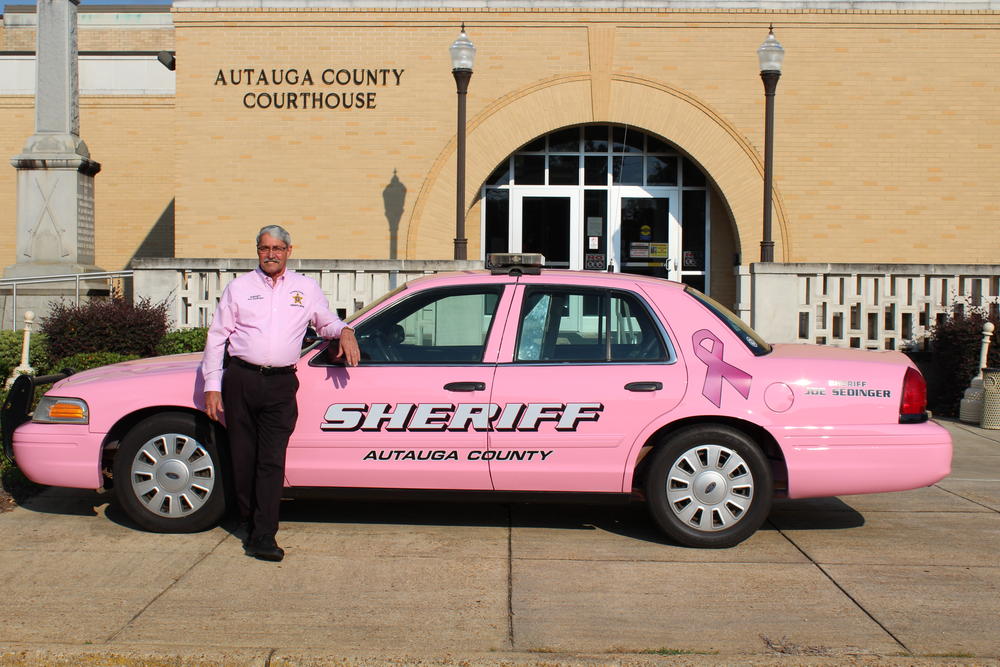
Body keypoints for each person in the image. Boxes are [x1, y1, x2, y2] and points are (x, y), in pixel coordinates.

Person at [201, 225, 360, 561]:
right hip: (241, 380)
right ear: (257, 251)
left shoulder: (305, 287)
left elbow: (324, 321)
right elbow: (217, 337)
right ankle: (247, 518)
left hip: (280, 384)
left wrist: (345, 330)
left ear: (289, 250)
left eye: (277, 248)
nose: (270, 254)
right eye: (264, 248)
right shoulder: (239, 288)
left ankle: (263, 535)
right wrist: (212, 386)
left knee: (271, 461)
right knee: (243, 460)